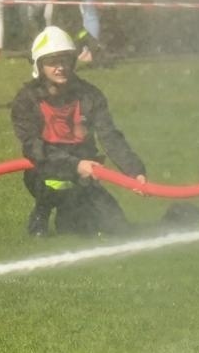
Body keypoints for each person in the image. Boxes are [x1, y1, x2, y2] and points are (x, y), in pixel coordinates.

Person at [11, 25, 146, 237]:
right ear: (39, 66)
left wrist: (134, 171)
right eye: (52, 62)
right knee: (53, 186)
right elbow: (33, 147)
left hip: (86, 171)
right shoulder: (26, 100)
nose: (60, 67)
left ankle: (70, 211)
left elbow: (109, 136)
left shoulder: (90, 95)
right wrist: (75, 165)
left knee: (116, 228)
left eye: (64, 60)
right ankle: (42, 210)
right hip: (45, 170)